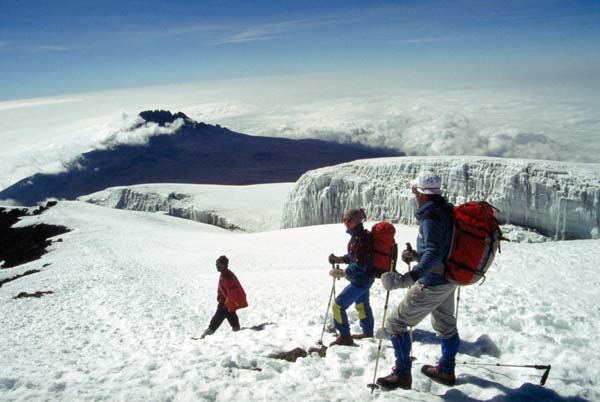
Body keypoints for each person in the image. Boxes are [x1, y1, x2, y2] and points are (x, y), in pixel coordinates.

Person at [376, 171, 460, 389]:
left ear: (422, 193)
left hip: (432, 282)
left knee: (395, 323)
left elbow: (433, 251)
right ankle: (446, 370)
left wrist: (408, 278)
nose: (413, 192)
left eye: (415, 189)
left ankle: (402, 374)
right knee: (446, 326)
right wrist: (416, 256)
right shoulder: (445, 211)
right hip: (448, 278)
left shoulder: (431, 216)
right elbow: (439, 248)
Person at [328, 208, 375, 346]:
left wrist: (344, 273)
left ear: (357, 221)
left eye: (349, 220)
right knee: (362, 305)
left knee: (337, 306)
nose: (346, 222)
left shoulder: (361, 239)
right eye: (344, 219)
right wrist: (341, 259)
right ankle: (367, 332)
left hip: (360, 281)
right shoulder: (359, 237)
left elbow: (361, 264)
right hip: (365, 279)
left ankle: (345, 337)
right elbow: (354, 257)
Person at [200, 255, 248, 338]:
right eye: (216, 264)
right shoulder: (224, 273)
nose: (216, 266)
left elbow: (233, 292)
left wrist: (227, 303)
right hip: (226, 301)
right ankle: (236, 329)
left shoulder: (227, 276)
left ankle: (206, 335)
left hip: (226, 302)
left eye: (218, 264)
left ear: (224, 265)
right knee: (230, 314)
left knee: (217, 318)